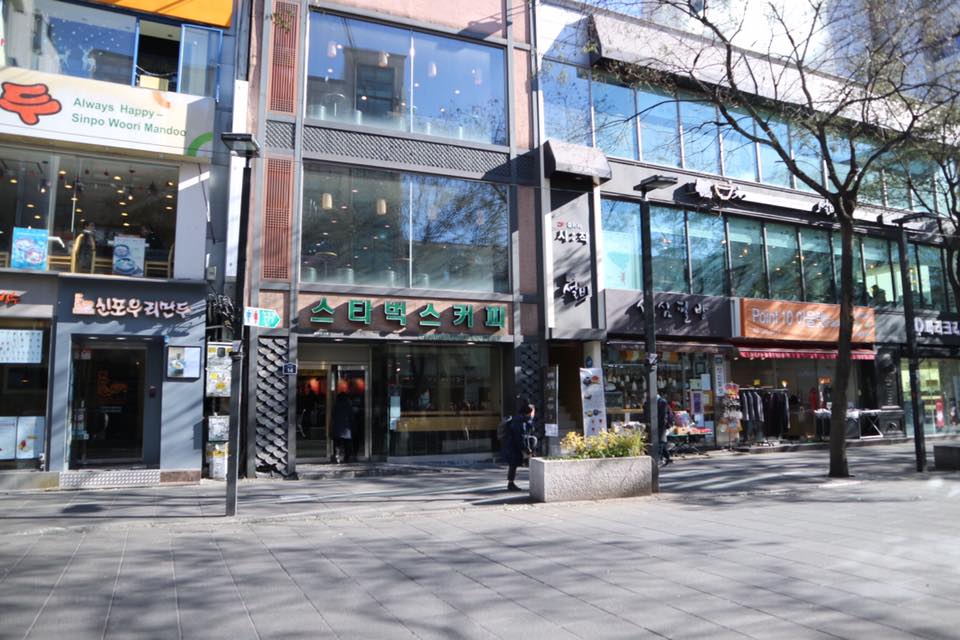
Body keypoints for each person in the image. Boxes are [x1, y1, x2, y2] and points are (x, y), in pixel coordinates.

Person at [502, 403, 536, 491]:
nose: (534, 413)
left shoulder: (520, 419)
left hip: (513, 445)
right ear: (529, 412)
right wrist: (526, 448)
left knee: (513, 465)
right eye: (533, 411)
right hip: (514, 446)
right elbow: (520, 437)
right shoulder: (521, 422)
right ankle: (511, 484)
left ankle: (511, 483)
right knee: (513, 464)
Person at [643, 394, 673, 466]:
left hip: (661, 424)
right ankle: (667, 457)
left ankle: (659, 458)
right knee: (660, 441)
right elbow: (645, 413)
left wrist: (663, 425)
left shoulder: (662, 402)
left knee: (660, 441)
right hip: (652, 424)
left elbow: (664, 415)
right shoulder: (648, 402)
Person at [331, 392, 353, 463]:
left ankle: (337, 456)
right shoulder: (348, 405)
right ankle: (346, 458)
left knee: (337, 443)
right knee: (347, 444)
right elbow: (351, 417)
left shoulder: (335, 405)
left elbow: (333, 415)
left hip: (337, 427)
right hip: (346, 427)